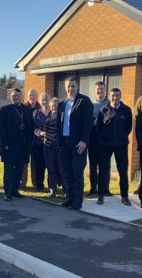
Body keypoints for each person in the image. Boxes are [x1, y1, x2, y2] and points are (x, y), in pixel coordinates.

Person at [57, 77, 93, 210]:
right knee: (67, 172)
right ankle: (70, 198)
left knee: (77, 172)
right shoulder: (61, 103)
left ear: (77, 87)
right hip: (64, 143)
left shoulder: (84, 101)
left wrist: (84, 141)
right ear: (65, 87)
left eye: (73, 86)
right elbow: (58, 124)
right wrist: (58, 141)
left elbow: (88, 123)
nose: (71, 89)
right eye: (68, 86)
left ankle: (78, 201)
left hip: (78, 144)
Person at [96, 88, 132, 206]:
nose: (115, 98)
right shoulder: (103, 110)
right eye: (112, 95)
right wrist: (104, 138)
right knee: (103, 170)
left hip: (121, 145)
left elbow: (129, 127)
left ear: (120, 96)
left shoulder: (126, 110)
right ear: (109, 96)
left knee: (123, 171)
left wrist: (120, 137)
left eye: (117, 95)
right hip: (105, 145)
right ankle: (101, 195)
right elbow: (99, 128)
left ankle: (125, 196)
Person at [0, 89, 34, 201]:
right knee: (9, 170)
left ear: (21, 96)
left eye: (18, 95)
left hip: (22, 146)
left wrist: (29, 144)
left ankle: (15, 190)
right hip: (9, 145)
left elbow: (31, 128)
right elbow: (1, 129)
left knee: (19, 170)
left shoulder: (27, 110)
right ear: (10, 97)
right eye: (14, 96)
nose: (16, 98)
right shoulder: (5, 110)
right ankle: (7, 192)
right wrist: (5, 144)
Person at [41, 97, 67, 197]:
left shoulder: (62, 118)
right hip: (47, 145)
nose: (54, 109)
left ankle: (65, 190)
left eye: (55, 107)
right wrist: (41, 132)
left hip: (59, 146)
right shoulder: (48, 116)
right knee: (50, 168)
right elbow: (44, 129)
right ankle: (52, 189)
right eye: (52, 107)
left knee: (61, 168)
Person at [88, 81, 107, 196]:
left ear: (105, 90)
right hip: (92, 138)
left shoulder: (109, 103)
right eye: (98, 89)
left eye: (102, 89)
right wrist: (93, 122)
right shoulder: (90, 105)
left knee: (104, 165)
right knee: (93, 165)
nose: (100, 91)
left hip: (105, 139)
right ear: (95, 91)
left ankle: (104, 188)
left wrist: (99, 122)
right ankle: (93, 188)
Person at [21, 89, 40, 188]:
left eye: (33, 95)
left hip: (37, 141)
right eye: (29, 95)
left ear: (37, 96)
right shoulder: (22, 108)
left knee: (35, 163)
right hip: (25, 140)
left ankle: (35, 183)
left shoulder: (40, 108)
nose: (31, 97)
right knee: (24, 162)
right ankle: (23, 182)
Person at [31, 92, 50, 191]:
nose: (44, 102)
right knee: (39, 166)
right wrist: (40, 133)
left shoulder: (53, 112)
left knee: (50, 165)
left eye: (46, 100)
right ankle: (39, 185)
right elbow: (33, 127)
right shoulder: (36, 112)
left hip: (50, 144)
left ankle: (51, 186)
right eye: (42, 100)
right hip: (38, 143)